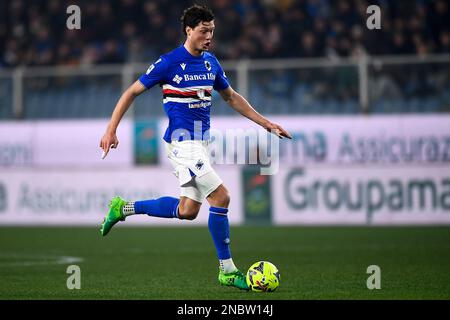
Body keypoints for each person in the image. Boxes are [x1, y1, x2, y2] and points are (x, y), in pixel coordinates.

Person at [99, 4, 291, 291]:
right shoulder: (168, 63)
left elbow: (231, 97)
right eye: (203, 31)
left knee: (188, 210)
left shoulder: (211, 63)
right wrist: (111, 129)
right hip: (182, 144)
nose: (209, 36)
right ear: (188, 31)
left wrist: (265, 123)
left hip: (201, 145)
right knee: (222, 197)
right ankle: (227, 270)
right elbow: (131, 92)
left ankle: (123, 208)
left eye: (211, 31)